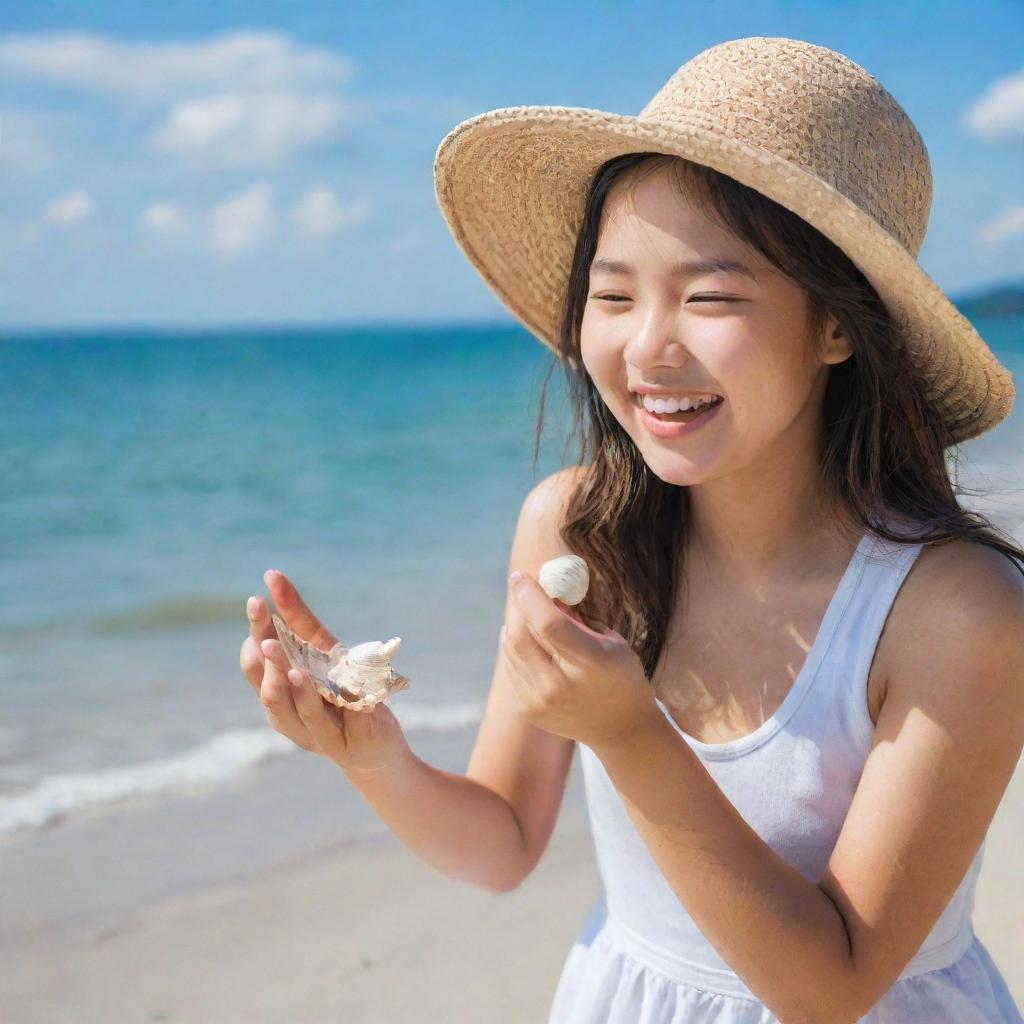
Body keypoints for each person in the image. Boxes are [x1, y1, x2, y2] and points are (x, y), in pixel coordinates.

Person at [240, 36, 1024, 1023]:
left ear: (835, 327)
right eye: (612, 295)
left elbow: (829, 986)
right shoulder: (577, 535)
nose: (648, 345)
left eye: (708, 296)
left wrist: (629, 732)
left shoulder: (953, 612)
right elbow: (500, 845)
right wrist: (372, 756)